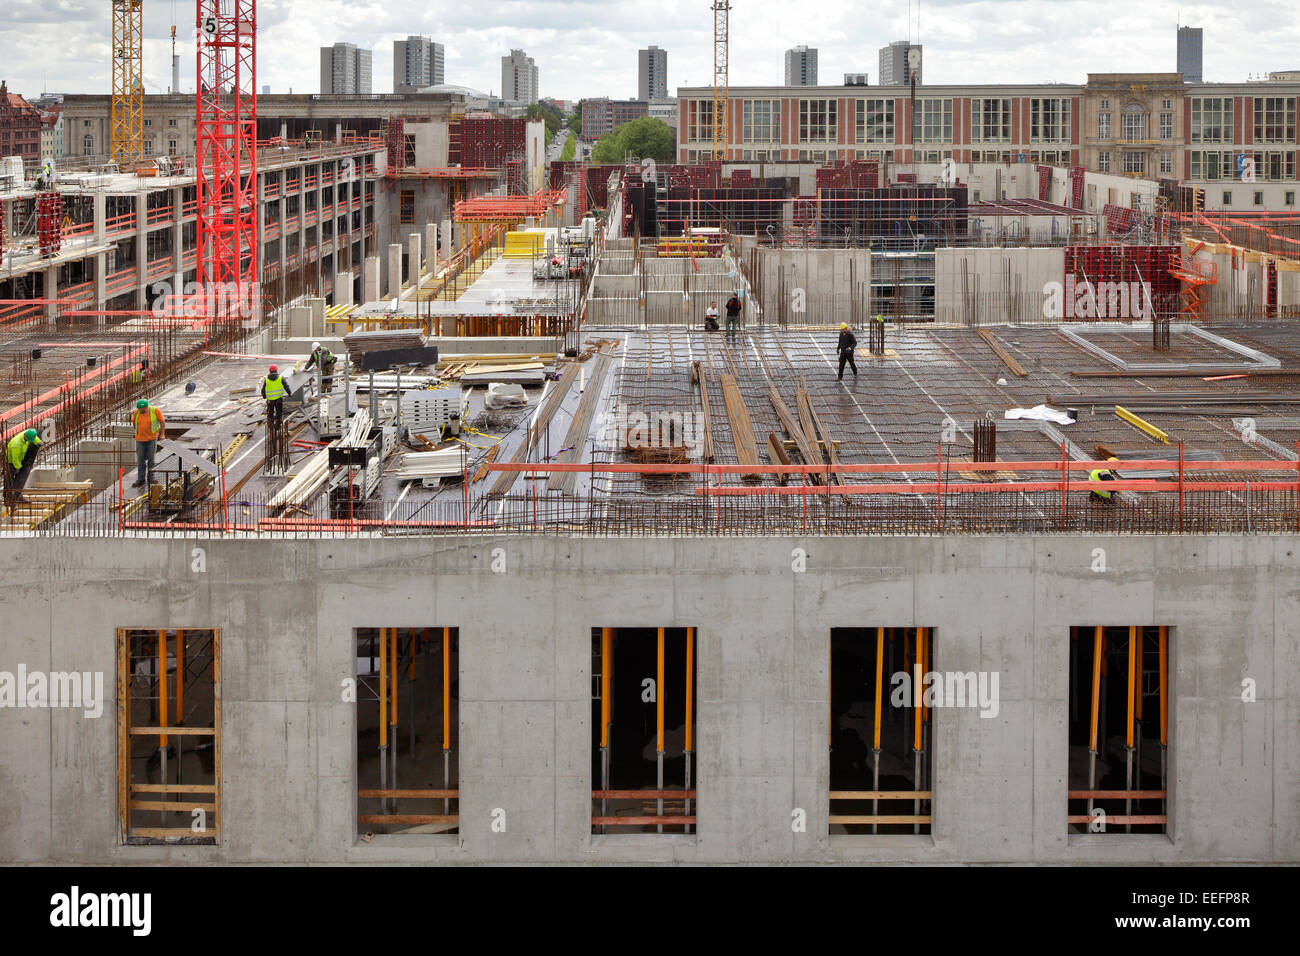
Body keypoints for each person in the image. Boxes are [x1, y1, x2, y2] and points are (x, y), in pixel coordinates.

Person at [132, 398, 165, 489]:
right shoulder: (136, 413)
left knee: (151, 459)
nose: (141, 410)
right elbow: (134, 423)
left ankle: (151, 478)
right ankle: (141, 479)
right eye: (140, 409)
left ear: (147, 407)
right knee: (140, 460)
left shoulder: (155, 411)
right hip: (140, 439)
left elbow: (162, 421)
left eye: (143, 409)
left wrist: (162, 434)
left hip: (152, 439)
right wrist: (137, 433)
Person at [5, 428, 42, 493]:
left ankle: (15, 494)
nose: (30, 441)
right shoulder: (16, 444)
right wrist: (18, 468)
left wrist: (38, 442)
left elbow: (34, 437)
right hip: (10, 461)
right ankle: (8, 497)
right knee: (9, 479)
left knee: (19, 479)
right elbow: (15, 459)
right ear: (25, 436)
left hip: (19, 457)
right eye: (29, 440)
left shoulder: (28, 433)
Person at [262, 364, 288, 431]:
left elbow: (263, 389)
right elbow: (286, 386)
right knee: (279, 412)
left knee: (270, 413)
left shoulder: (266, 379)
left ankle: (270, 426)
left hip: (270, 400)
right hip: (279, 399)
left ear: (270, 371)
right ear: (276, 370)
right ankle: (278, 426)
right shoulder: (280, 378)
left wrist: (264, 396)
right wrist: (289, 393)